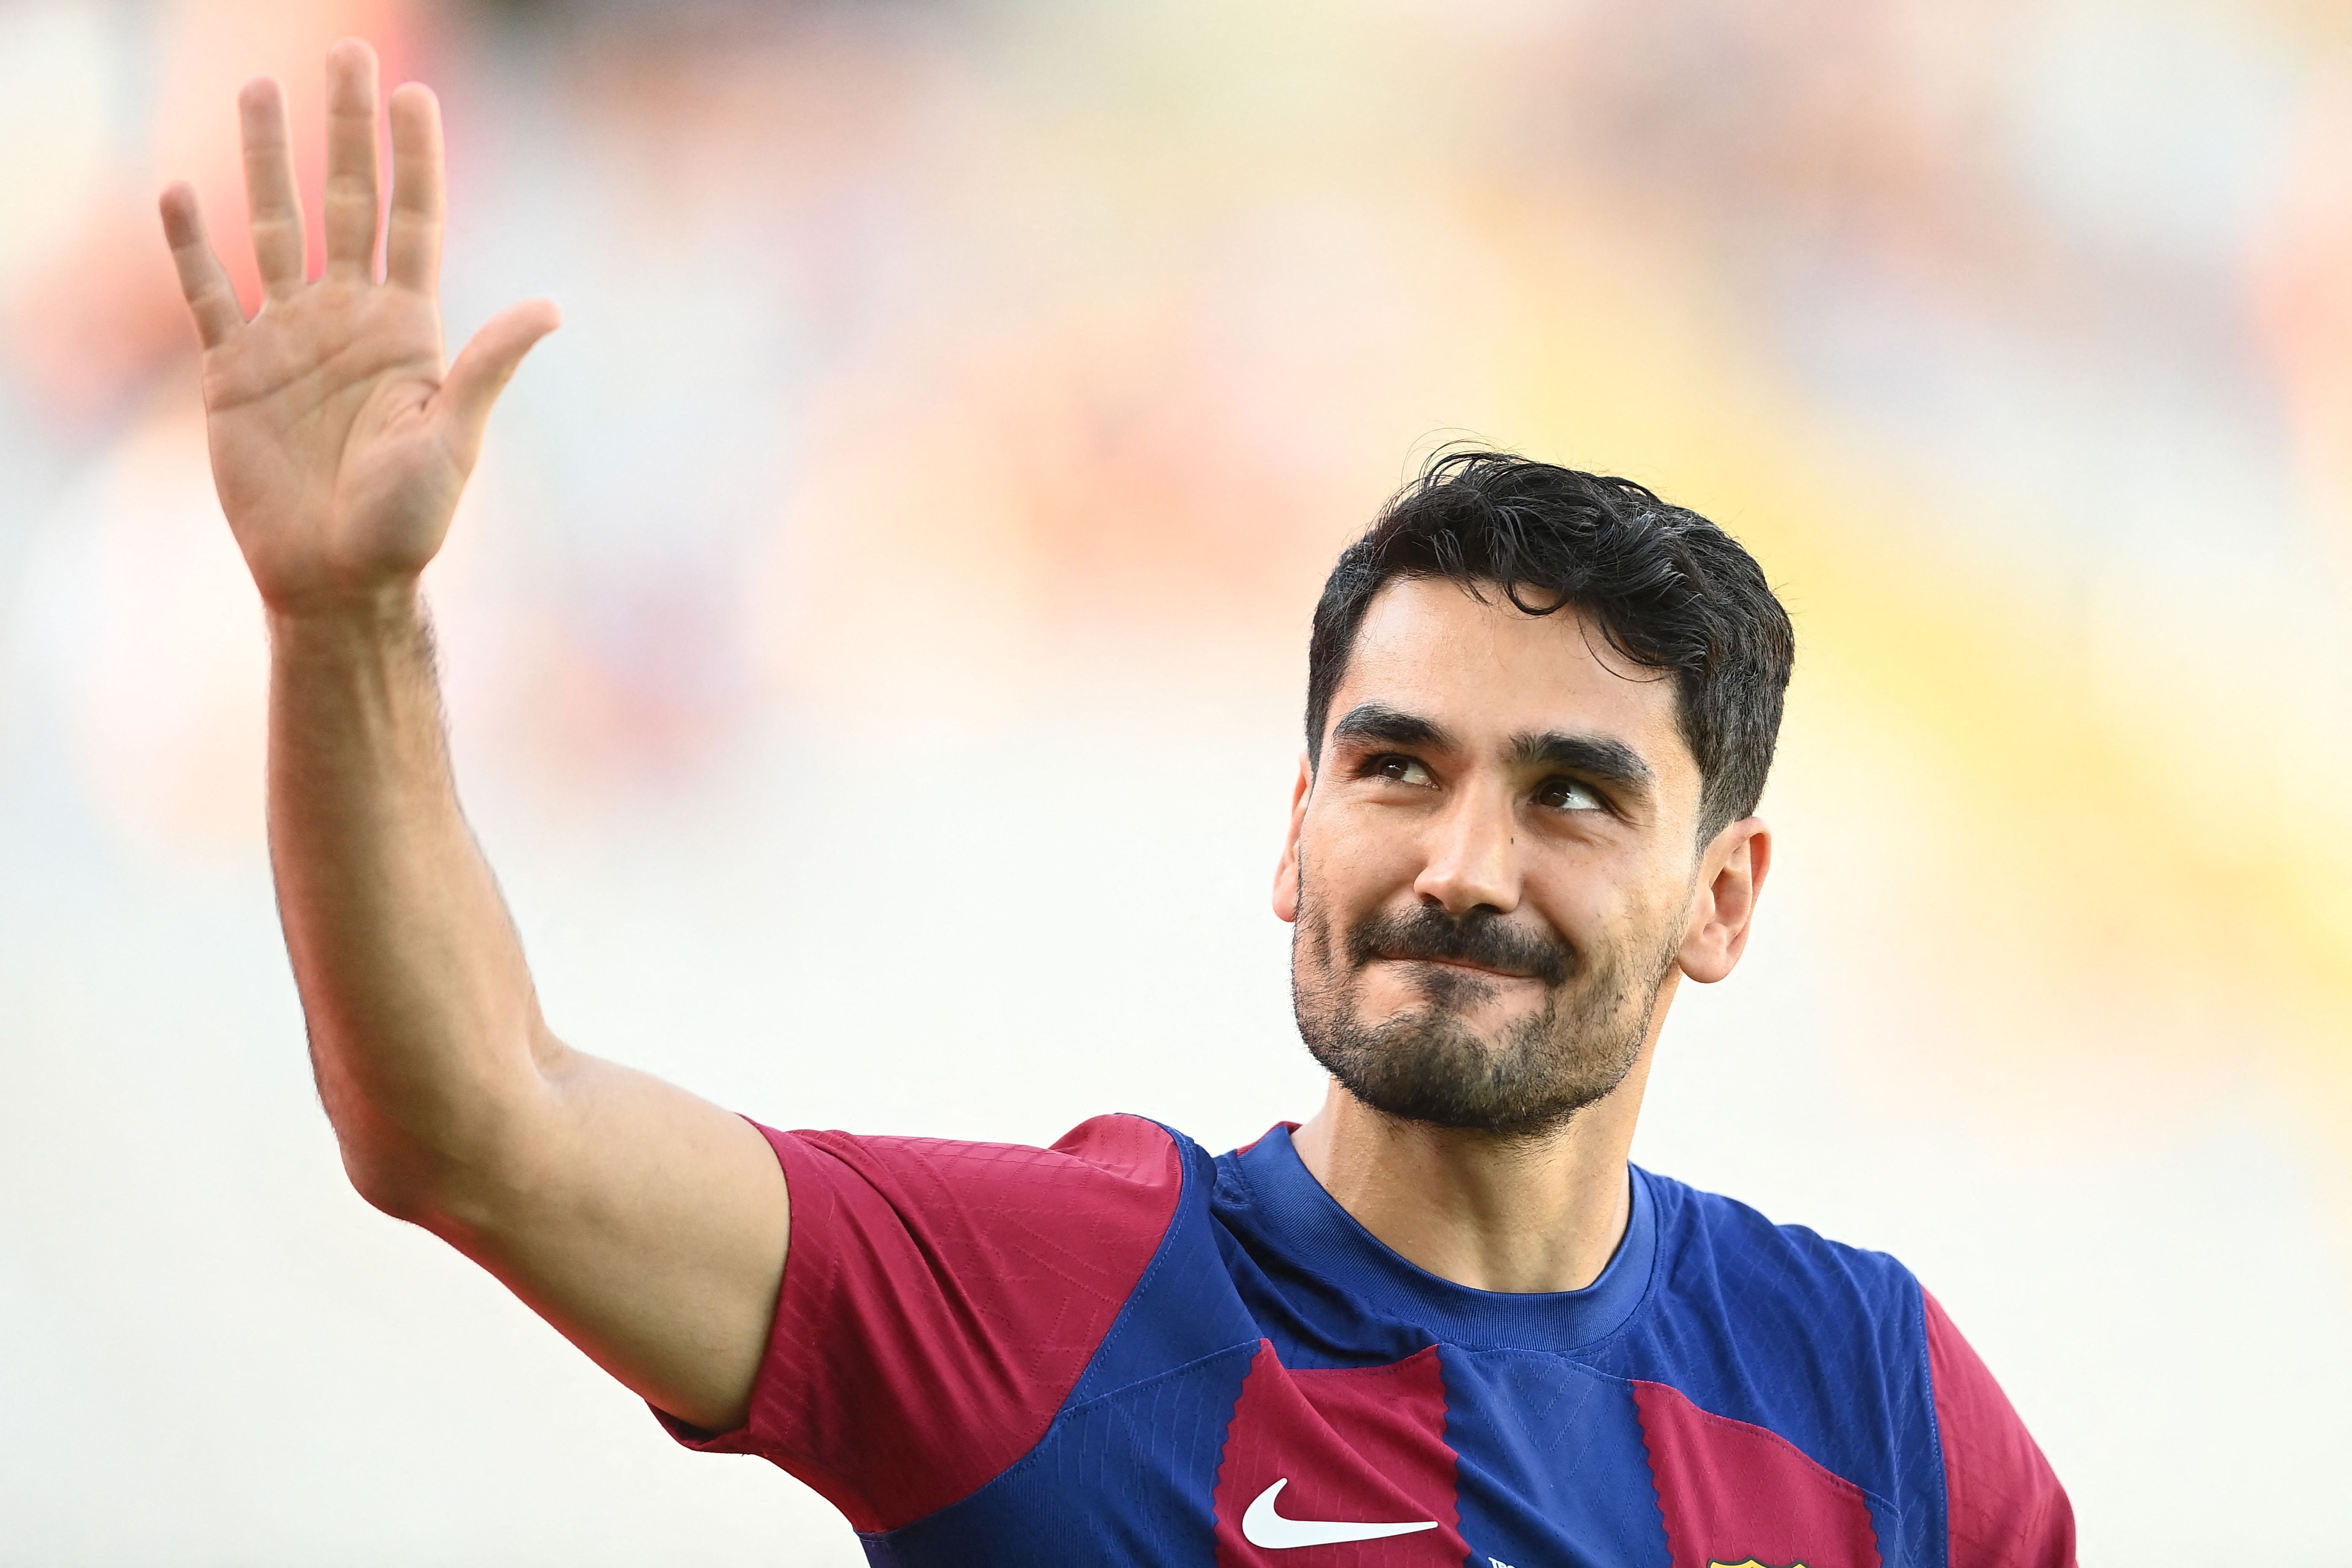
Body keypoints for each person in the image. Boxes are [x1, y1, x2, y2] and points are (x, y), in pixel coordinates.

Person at [159, 40, 2075, 1568]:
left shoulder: (1874, 1410)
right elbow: (470, 1125)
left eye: (1570, 796)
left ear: (1720, 899)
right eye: (1393, 767)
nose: (1457, 865)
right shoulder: (1062, 1314)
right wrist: (345, 623)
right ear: (1292, 827)